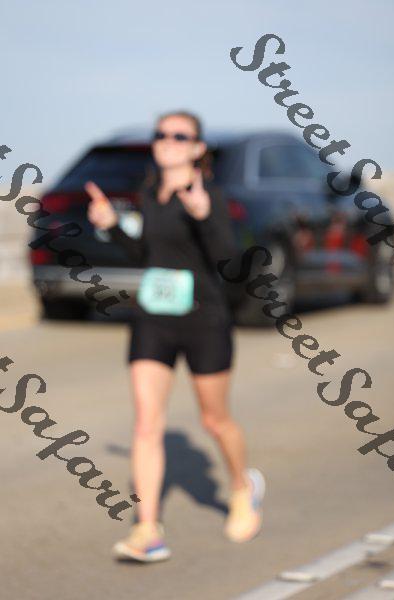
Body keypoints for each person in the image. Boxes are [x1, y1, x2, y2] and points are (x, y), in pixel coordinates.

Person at [85, 110, 266, 563]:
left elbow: (228, 261)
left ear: (197, 148)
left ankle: (242, 487)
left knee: (214, 420)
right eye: (161, 134)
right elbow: (146, 255)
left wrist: (203, 217)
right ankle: (148, 529)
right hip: (153, 317)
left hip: (204, 318)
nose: (168, 140)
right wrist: (109, 225)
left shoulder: (210, 196)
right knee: (147, 424)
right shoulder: (150, 193)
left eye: (180, 135)